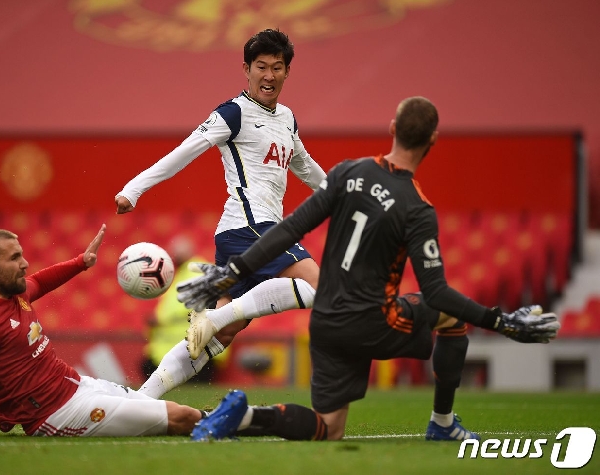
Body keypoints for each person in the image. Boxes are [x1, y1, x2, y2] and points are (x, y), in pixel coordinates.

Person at [177, 96, 561, 441]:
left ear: (393, 129)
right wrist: (501, 322)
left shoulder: (347, 174)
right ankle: (442, 423)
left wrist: (232, 271)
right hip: (373, 320)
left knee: (328, 429)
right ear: (433, 141)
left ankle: (245, 416)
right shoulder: (417, 208)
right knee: (450, 319)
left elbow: (290, 228)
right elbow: (438, 293)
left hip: (326, 320)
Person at [115, 28, 325, 399]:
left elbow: (305, 166)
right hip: (249, 226)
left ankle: (140, 399)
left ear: (287, 72)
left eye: (277, 67)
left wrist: (343, 195)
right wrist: (134, 188)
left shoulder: (287, 118)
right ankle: (214, 315)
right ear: (246, 68)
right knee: (318, 285)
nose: (269, 75)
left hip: (247, 233)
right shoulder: (234, 112)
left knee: (217, 337)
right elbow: (186, 149)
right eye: (261, 66)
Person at [0, 224, 216, 438]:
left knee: (165, 408)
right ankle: (239, 420)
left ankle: (249, 419)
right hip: (54, 414)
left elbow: (40, 281)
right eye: (14, 258)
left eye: (21, 254)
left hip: (77, 386)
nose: (25, 263)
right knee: (179, 417)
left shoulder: (16, 293)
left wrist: (81, 262)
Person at [139, 234, 217, 385]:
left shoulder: (196, 270)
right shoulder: (182, 273)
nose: (173, 256)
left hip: (191, 349)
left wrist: (160, 320)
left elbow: (193, 305)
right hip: (179, 348)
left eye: (175, 251)